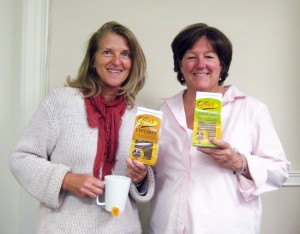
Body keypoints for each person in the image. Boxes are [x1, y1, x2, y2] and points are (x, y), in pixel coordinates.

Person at [10, 21, 154, 234]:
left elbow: (143, 179)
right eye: (107, 52)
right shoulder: (60, 102)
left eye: (125, 54)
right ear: (93, 61)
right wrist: (66, 179)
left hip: (123, 229)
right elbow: (21, 159)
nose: (117, 61)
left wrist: (140, 177)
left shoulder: (144, 117)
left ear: (133, 63)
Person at [149, 23, 290, 234]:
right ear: (180, 64)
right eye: (190, 57)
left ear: (222, 65)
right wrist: (140, 173)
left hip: (228, 227)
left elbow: (279, 172)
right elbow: (155, 172)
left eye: (209, 56)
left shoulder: (251, 109)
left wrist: (239, 162)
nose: (200, 64)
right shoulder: (163, 112)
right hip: (166, 226)